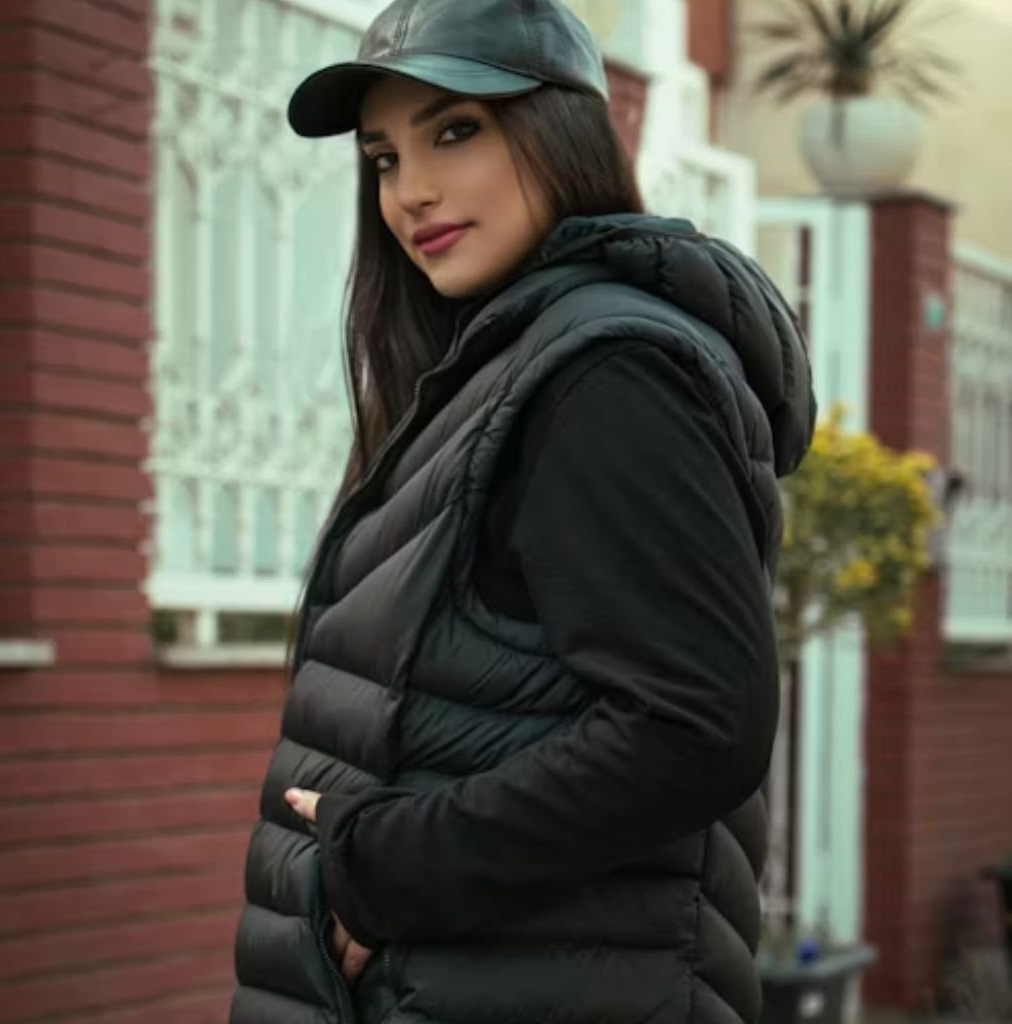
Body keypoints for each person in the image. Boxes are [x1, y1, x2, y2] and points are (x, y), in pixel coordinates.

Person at [230, 1, 815, 1022]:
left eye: (456, 130)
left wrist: (385, 868)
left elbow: (694, 726)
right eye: (381, 158)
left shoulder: (607, 375)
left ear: (561, 132)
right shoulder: (506, 368)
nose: (411, 192)